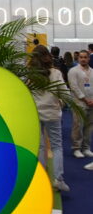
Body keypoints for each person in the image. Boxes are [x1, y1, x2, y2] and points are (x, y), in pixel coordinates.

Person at [29, 46, 70, 193]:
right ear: (47, 56)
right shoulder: (56, 73)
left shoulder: (28, 74)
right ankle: (58, 179)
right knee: (57, 146)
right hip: (52, 113)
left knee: (40, 147)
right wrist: (60, 103)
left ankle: (42, 178)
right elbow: (65, 93)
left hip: (35, 113)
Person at [67, 50, 93, 161]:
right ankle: (76, 148)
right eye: (81, 57)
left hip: (91, 103)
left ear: (89, 58)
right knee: (78, 125)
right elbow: (74, 87)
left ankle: (86, 147)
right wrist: (85, 99)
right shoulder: (73, 71)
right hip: (79, 102)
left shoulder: (92, 71)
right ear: (78, 58)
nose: (83, 59)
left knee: (89, 126)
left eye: (85, 57)